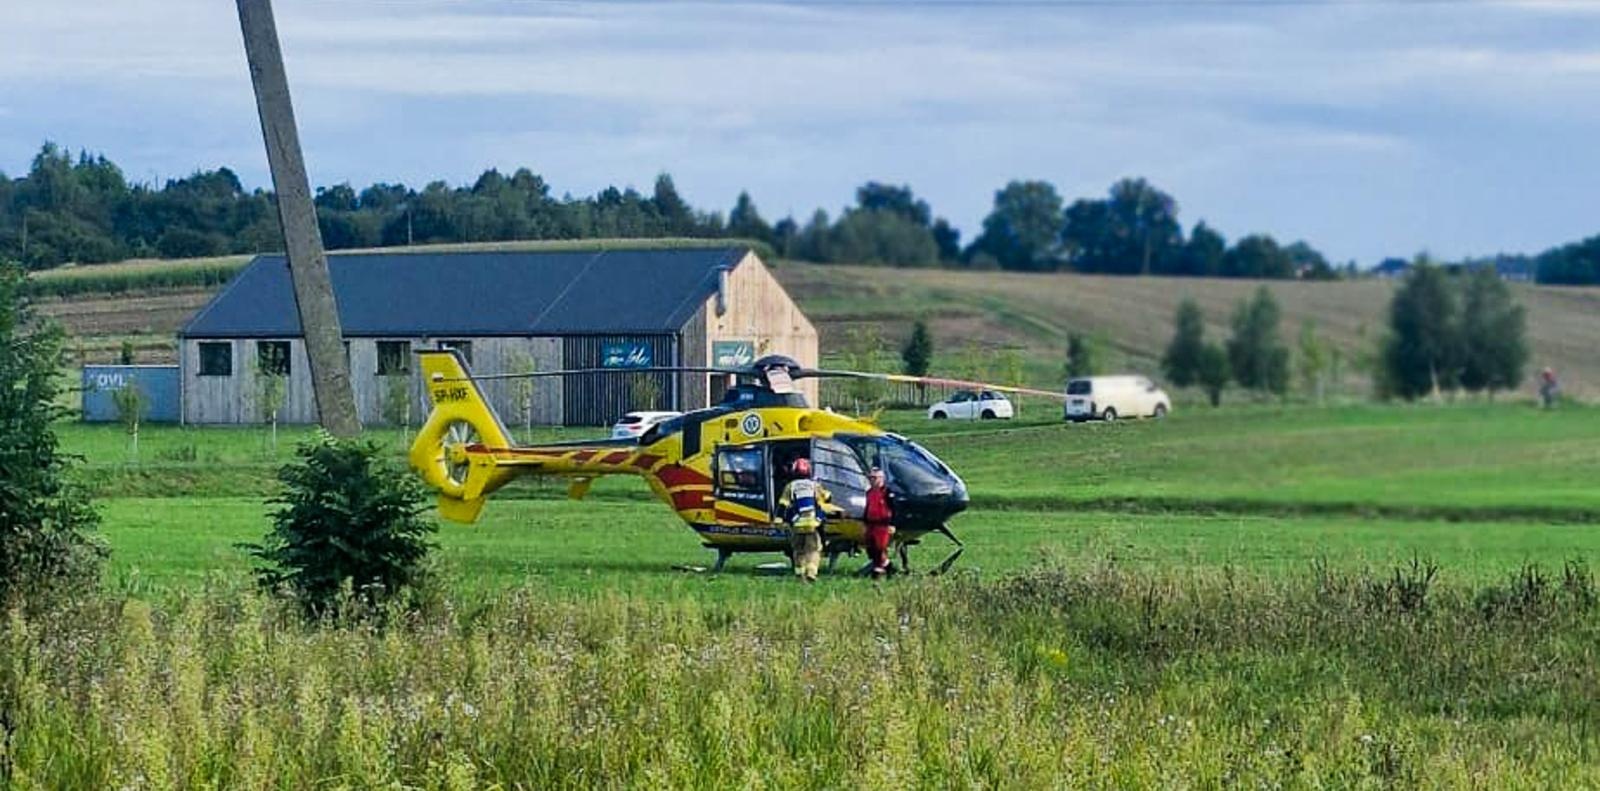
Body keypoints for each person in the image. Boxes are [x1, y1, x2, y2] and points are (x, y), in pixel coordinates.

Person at [779, 458, 829, 582]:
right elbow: (826, 497)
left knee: (798, 550)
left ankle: (799, 574)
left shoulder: (790, 486)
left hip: (797, 525)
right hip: (813, 524)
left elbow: (783, 504)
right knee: (813, 550)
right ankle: (811, 572)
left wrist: (779, 519)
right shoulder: (814, 485)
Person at [863, 467, 895, 578]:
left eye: (875, 478)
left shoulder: (887, 493)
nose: (873, 480)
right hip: (871, 524)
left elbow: (894, 508)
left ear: (882, 479)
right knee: (871, 549)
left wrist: (892, 524)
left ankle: (878, 571)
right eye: (871, 478)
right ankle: (888, 567)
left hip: (883, 525)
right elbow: (867, 508)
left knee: (879, 548)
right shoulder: (869, 493)